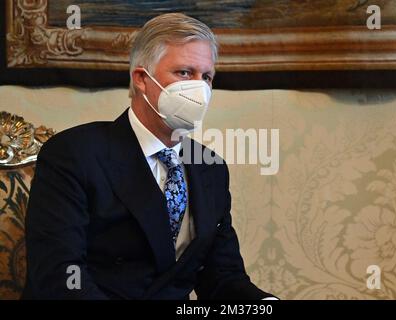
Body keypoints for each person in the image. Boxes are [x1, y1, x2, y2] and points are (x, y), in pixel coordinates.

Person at [23, 13, 275, 300]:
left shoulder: (210, 167)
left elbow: (221, 276)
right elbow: (60, 276)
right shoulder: (74, 153)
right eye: (184, 73)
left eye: (207, 77)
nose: (200, 89)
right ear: (142, 79)